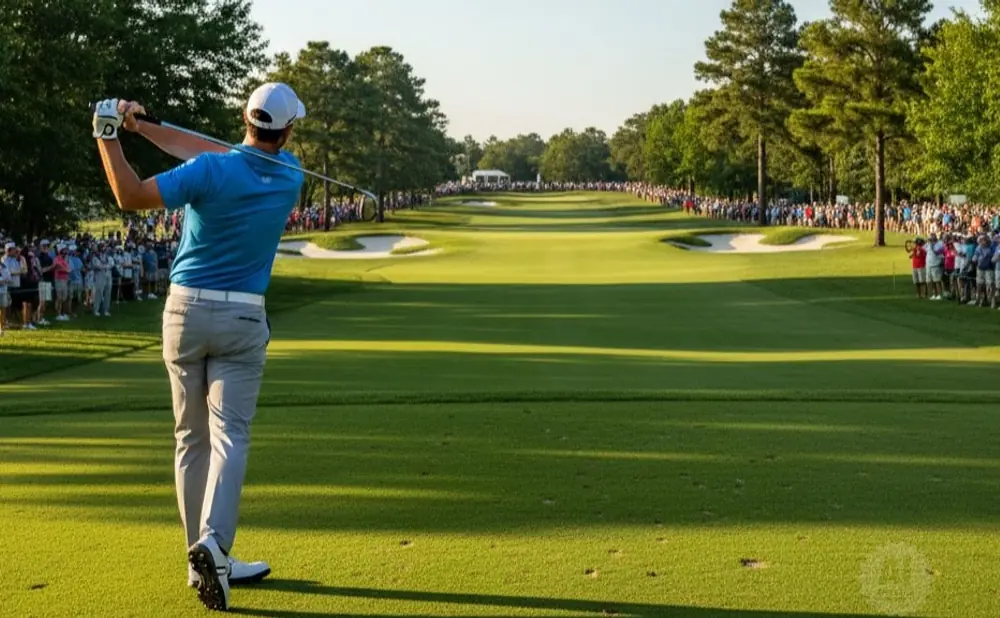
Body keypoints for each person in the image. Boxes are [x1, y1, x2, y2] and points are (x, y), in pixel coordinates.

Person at [92, 84, 305, 611]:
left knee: (190, 438)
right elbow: (197, 147)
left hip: (184, 313)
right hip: (241, 316)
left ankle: (200, 561)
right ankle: (213, 545)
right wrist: (144, 127)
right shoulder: (291, 176)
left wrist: (110, 135)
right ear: (288, 130)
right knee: (229, 436)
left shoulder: (209, 172)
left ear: (244, 117)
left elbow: (131, 196)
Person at [53, 245, 71, 321]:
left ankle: (63, 313)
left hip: (65, 280)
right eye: (64, 251)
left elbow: (68, 269)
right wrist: (65, 269)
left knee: (64, 297)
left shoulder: (66, 259)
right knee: (59, 297)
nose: (66, 252)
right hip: (58, 279)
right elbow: (57, 267)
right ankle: (58, 314)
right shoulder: (56, 259)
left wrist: (65, 269)